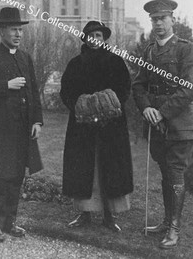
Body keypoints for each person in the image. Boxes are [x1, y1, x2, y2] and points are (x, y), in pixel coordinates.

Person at [132, 0, 193, 249]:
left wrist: (160, 112)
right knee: (165, 174)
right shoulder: (149, 51)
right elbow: (138, 85)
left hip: (181, 124)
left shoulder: (187, 49)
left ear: (172, 19)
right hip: (158, 125)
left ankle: (174, 228)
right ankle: (166, 221)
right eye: (154, 19)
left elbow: (190, 89)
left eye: (162, 18)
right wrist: (146, 108)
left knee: (175, 174)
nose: (158, 23)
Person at [0, 7, 43, 242]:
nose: (18, 34)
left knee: (15, 178)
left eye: (20, 30)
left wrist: (37, 121)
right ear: (1, 31)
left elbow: (33, 92)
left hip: (22, 129)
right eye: (14, 29)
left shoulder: (25, 58)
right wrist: (6, 85)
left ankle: (10, 223)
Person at [60, 20, 133, 232]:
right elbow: (66, 91)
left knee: (108, 167)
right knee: (86, 169)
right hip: (82, 127)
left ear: (104, 38)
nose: (94, 39)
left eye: (98, 35)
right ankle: (85, 213)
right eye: (90, 35)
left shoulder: (115, 61)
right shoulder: (75, 64)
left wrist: (107, 104)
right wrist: (80, 105)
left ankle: (109, 216)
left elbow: (124, 88)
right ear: (85, 39)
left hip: (110, 126)